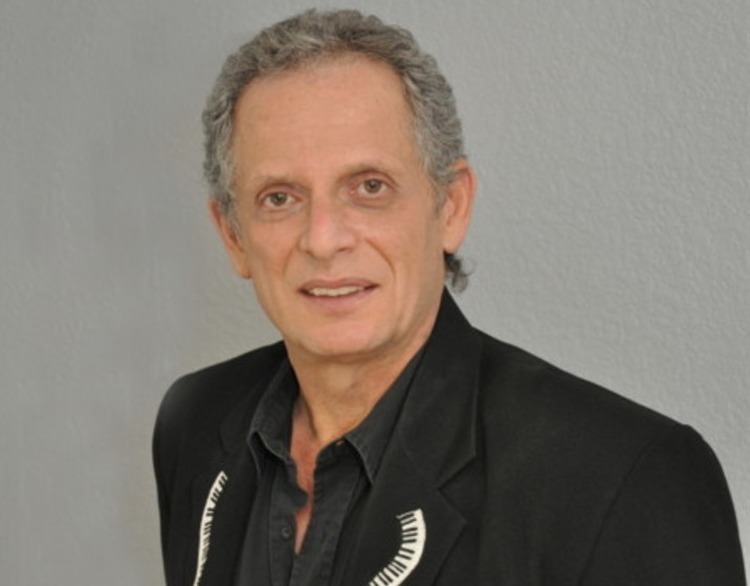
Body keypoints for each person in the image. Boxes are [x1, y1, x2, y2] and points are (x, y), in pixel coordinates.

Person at [152, 9, 745, 586]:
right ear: (233, 235)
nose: (324, 239)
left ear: (451, 207)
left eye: (369, 187)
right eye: (280, 198)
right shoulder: (196, 423)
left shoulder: (622, 475)